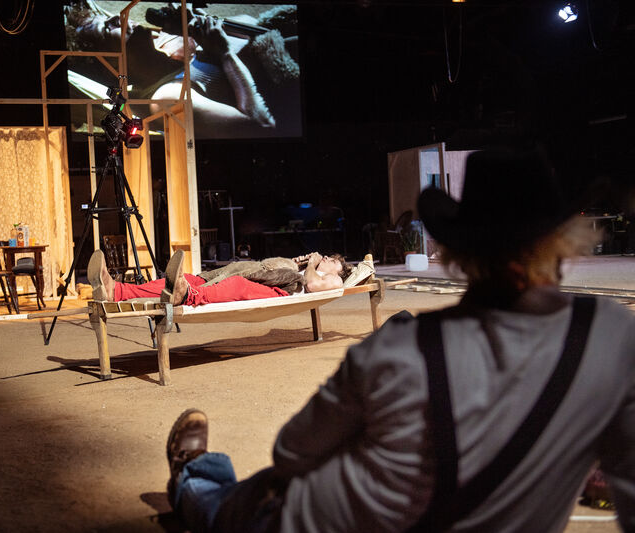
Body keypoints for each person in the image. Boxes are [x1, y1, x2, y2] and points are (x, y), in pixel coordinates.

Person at [161, 149, 635, 532]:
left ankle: (195, 476)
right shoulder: (613, 338)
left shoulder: (401, 348)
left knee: (234, 503)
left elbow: (291, 453)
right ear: (563, 242)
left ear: (455, 253)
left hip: (309, 519)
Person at [64, 2, 300, 138]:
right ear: (111, 63)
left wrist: (199, 23)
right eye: (109, 28)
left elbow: (253, 24)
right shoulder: (166, 96)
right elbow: (262, 126)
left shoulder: (174, 47)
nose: (119, 18)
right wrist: (225, 54)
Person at [86, 249, 354, 307]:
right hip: (270, 278)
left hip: (283, 291)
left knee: (236, 284)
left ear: (337, 269)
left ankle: (187, 295)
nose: (326, 259)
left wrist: (313, 264)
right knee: (194, 277)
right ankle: (116, 290)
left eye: (331, 260)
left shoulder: (335, 280)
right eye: (327, 258)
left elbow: (311, 285)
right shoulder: (314, 267)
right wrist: (296, 262)